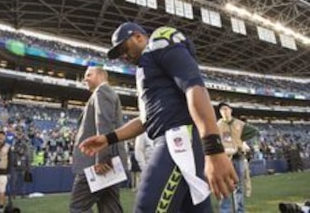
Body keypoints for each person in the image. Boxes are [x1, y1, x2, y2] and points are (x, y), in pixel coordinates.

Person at [79, 22, 238, 213]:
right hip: (174, 139)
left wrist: (214, 149)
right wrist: (108, 138)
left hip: (179, 138)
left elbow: (194, 88)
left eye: (124, 47)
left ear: (138, 36)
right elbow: (146, 120)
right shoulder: (145, 69)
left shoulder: (160, 41)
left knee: (146, 208)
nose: (123, 55)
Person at [70, 66, 126, 213]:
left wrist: (102, 160)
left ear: (101, 75)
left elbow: (104, 124)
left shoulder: (102, 91)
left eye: (89, 75)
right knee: (110, 208)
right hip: (108, 162)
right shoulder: (105, 93)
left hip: (97, 164)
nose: (85, 78)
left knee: (78, 208)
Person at [217, 102, 259, 213]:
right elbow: (214, 139)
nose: (224, 111)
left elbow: (255, 131)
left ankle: (239, 210)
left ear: (230, 110)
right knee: (224, 186)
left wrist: (240, 141)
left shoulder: (239, 124)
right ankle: (225, 211)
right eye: (221, 110)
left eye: (226, 108)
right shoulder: (218, 125)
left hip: (238, 157)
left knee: (238, 186)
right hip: (224, 159)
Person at [11, 126, 31, 198]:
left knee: (23, 182)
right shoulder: (14, 141)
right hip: (15, 166)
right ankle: (14, 195)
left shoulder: (25, 142)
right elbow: (12, 150)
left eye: (21, 134)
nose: (19, 135)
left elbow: (27, 154)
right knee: (14, 182)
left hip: (23, 166)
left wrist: (28, 168)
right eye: (18, 134)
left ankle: (23, 194)